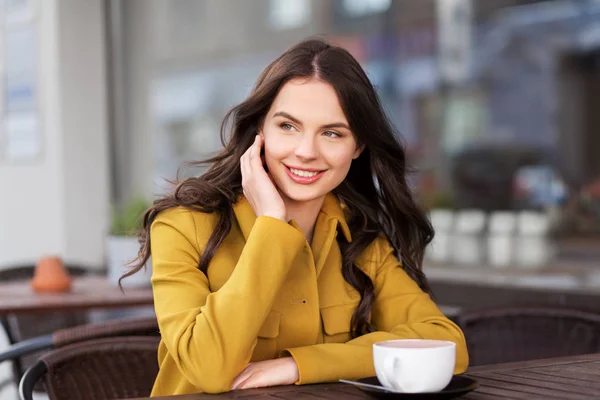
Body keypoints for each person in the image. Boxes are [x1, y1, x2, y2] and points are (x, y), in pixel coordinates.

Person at [123, 38, 469, 396]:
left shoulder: (360, 239)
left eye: (332, 133)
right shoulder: (182, 227)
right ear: (260, 129)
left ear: (358, 147)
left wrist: (298, 365)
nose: (306, 152)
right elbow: (209, 368)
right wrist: (271, 226)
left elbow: (447, 346)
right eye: (288, 126)